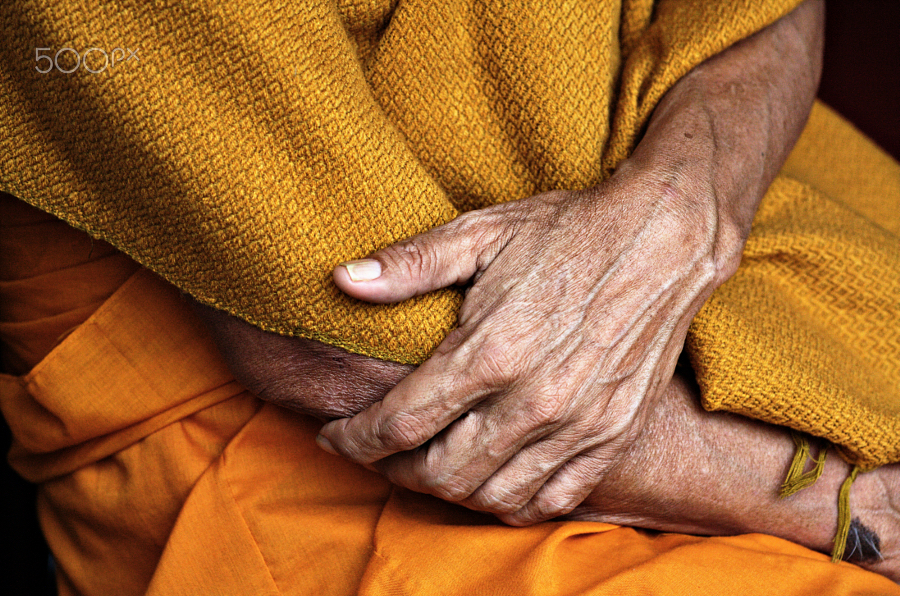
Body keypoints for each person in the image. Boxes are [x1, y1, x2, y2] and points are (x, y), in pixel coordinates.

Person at [1, 0, 898, 594]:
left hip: (754, 224)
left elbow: (772, 12)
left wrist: (689, 192)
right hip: (306, 453)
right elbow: (344, 341)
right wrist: (836, 503)